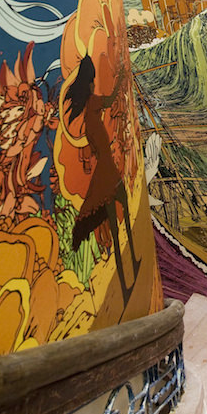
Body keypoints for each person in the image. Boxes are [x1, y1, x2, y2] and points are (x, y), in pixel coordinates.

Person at [64, 54, 138, 303]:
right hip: (106, 170)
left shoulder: (87, 113)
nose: (94, 83)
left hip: (105, 168)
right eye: (93, 80)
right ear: (89, 83)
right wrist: (122, 76)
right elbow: (112, 98)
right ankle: (129, 271)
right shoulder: (94, 103)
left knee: (118, 216)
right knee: (119, 209)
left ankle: (128, 273)